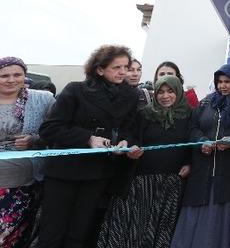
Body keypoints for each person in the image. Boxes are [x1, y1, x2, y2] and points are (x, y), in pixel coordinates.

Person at [38, 45, 140, 248]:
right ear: (99, 69)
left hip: (98, 173)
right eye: (116, 67)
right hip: (65, 172)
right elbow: (49, 129)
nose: (123, 72)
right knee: (52, 232)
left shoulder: (130, 96)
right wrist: (87, 138)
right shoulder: (76, 90)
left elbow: (128, 128)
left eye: (126, 67)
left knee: (80, 233)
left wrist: (124, 142)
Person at [97, 75, 193, 248]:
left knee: (159, 228)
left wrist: (189, 163)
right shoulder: (144, 114)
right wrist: (131, 149)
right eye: (160, 92)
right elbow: (132, 137)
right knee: (133, 227)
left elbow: (192, 144)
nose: (165, 96)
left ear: (178, 92)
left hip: (170, 185)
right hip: (141, 183)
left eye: (170, 91)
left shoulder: (189, 115)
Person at [171, 64, 230, 248]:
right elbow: (192, 128)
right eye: (219, 82)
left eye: (227, 82)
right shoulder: (207, 102)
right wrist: (201, 141)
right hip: (203, 172)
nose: (223, 86)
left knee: (226, 219)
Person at [0, 57, 54, 248]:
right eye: (4, 75)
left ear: (25, 75)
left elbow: (56, 130)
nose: (11, 79)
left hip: (23, 183)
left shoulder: (43, 99)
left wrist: (34, 139)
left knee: (13, 236)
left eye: (17, 74)